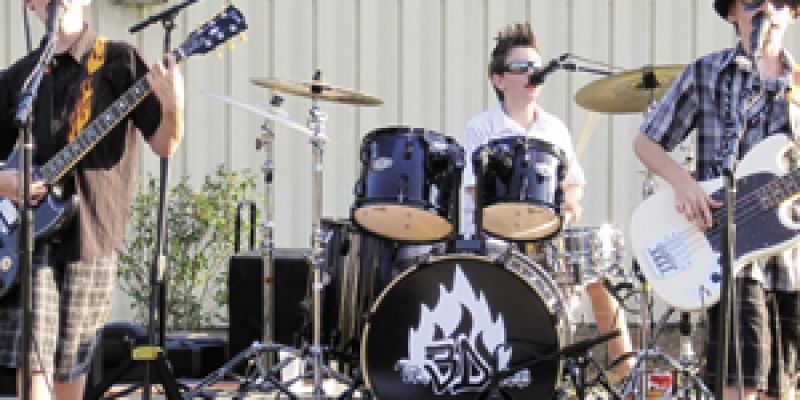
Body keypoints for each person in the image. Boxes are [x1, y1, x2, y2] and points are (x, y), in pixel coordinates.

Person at [0, 0, 184, 398]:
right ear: (29, 4)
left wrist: (173, 106)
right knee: (34, 363)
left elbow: (164, 144)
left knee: (70, 369)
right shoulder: (21, 78)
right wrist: (4, 183)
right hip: (27, 236)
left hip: (92, 233)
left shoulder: (119, 62)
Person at [633, 1, 799, 398]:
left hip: (790, 260)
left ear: (792, 13)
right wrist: (684, 183)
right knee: (739, 386)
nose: (767, 10)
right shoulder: (707, 73)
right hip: (728, 252)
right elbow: (646, 141)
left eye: (779, 2)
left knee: (781, 390)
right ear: (732, 14)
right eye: (752, 2)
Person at [462, 22, 634, 379]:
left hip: (546, 239)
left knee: (598, 269)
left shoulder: (554, 128)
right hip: (495, 243)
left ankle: (627, 378)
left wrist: (567, 209)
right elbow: (476, 193)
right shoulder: (481, 128)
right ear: (498, 80)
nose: (532, 73)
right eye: (521, 67)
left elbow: (574, 187)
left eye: (536, 67)